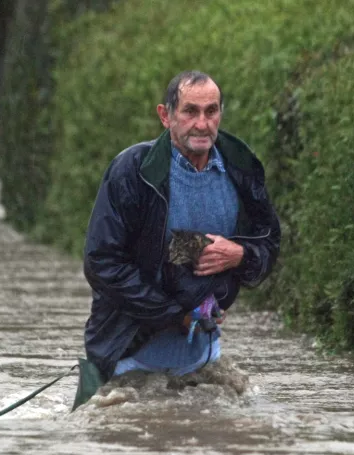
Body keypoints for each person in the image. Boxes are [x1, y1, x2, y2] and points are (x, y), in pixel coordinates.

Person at [77, 70, 280, 402]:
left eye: (211, 111)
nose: (202, 124)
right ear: (165, 115)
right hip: (125, 362)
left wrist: (240, 255)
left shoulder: (242, 167)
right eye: (190, 111)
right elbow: (101, 264)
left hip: (205, 363)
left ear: (221, 113)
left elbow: (269, 242)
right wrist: (178, 315)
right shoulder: (131, 170)